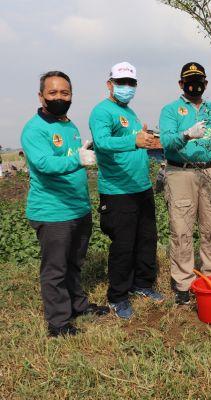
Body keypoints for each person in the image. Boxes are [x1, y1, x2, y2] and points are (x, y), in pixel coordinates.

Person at [21, 71, 108, 337]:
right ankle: (58, 322)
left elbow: (74, 156)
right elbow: (43, 164)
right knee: (56, 268)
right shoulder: (34, 129)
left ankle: (78, 306)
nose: (59, 97)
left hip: (78, 208)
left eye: (65, 93)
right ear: (41, 96)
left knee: (74, 263)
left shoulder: (69, 126)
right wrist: (77, 160)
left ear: (71, 96)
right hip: (52, 211)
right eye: (53, 92)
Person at [159, 62, 211, 305]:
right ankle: (183, 283)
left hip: (210, 171)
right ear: (181, 84)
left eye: (199, 81)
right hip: (180, 172)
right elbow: (166, 142)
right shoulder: (170, 111)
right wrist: (186, 135)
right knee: (181, 229)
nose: (194, 85)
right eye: (189, 81)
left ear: (205, 83)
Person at [89, 62, 164, 319]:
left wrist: (144, 138)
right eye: (121, 82)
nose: (126, 87)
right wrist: (133, 139)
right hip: (117, 190)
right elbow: (102, 142)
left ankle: (142, 284)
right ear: (109, 84)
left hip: (141, 186)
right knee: (123, 244)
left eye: (131, 83)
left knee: (146, 238)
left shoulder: (130, 113)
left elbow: (134, 142)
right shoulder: (101, 111)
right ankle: (118, 297)